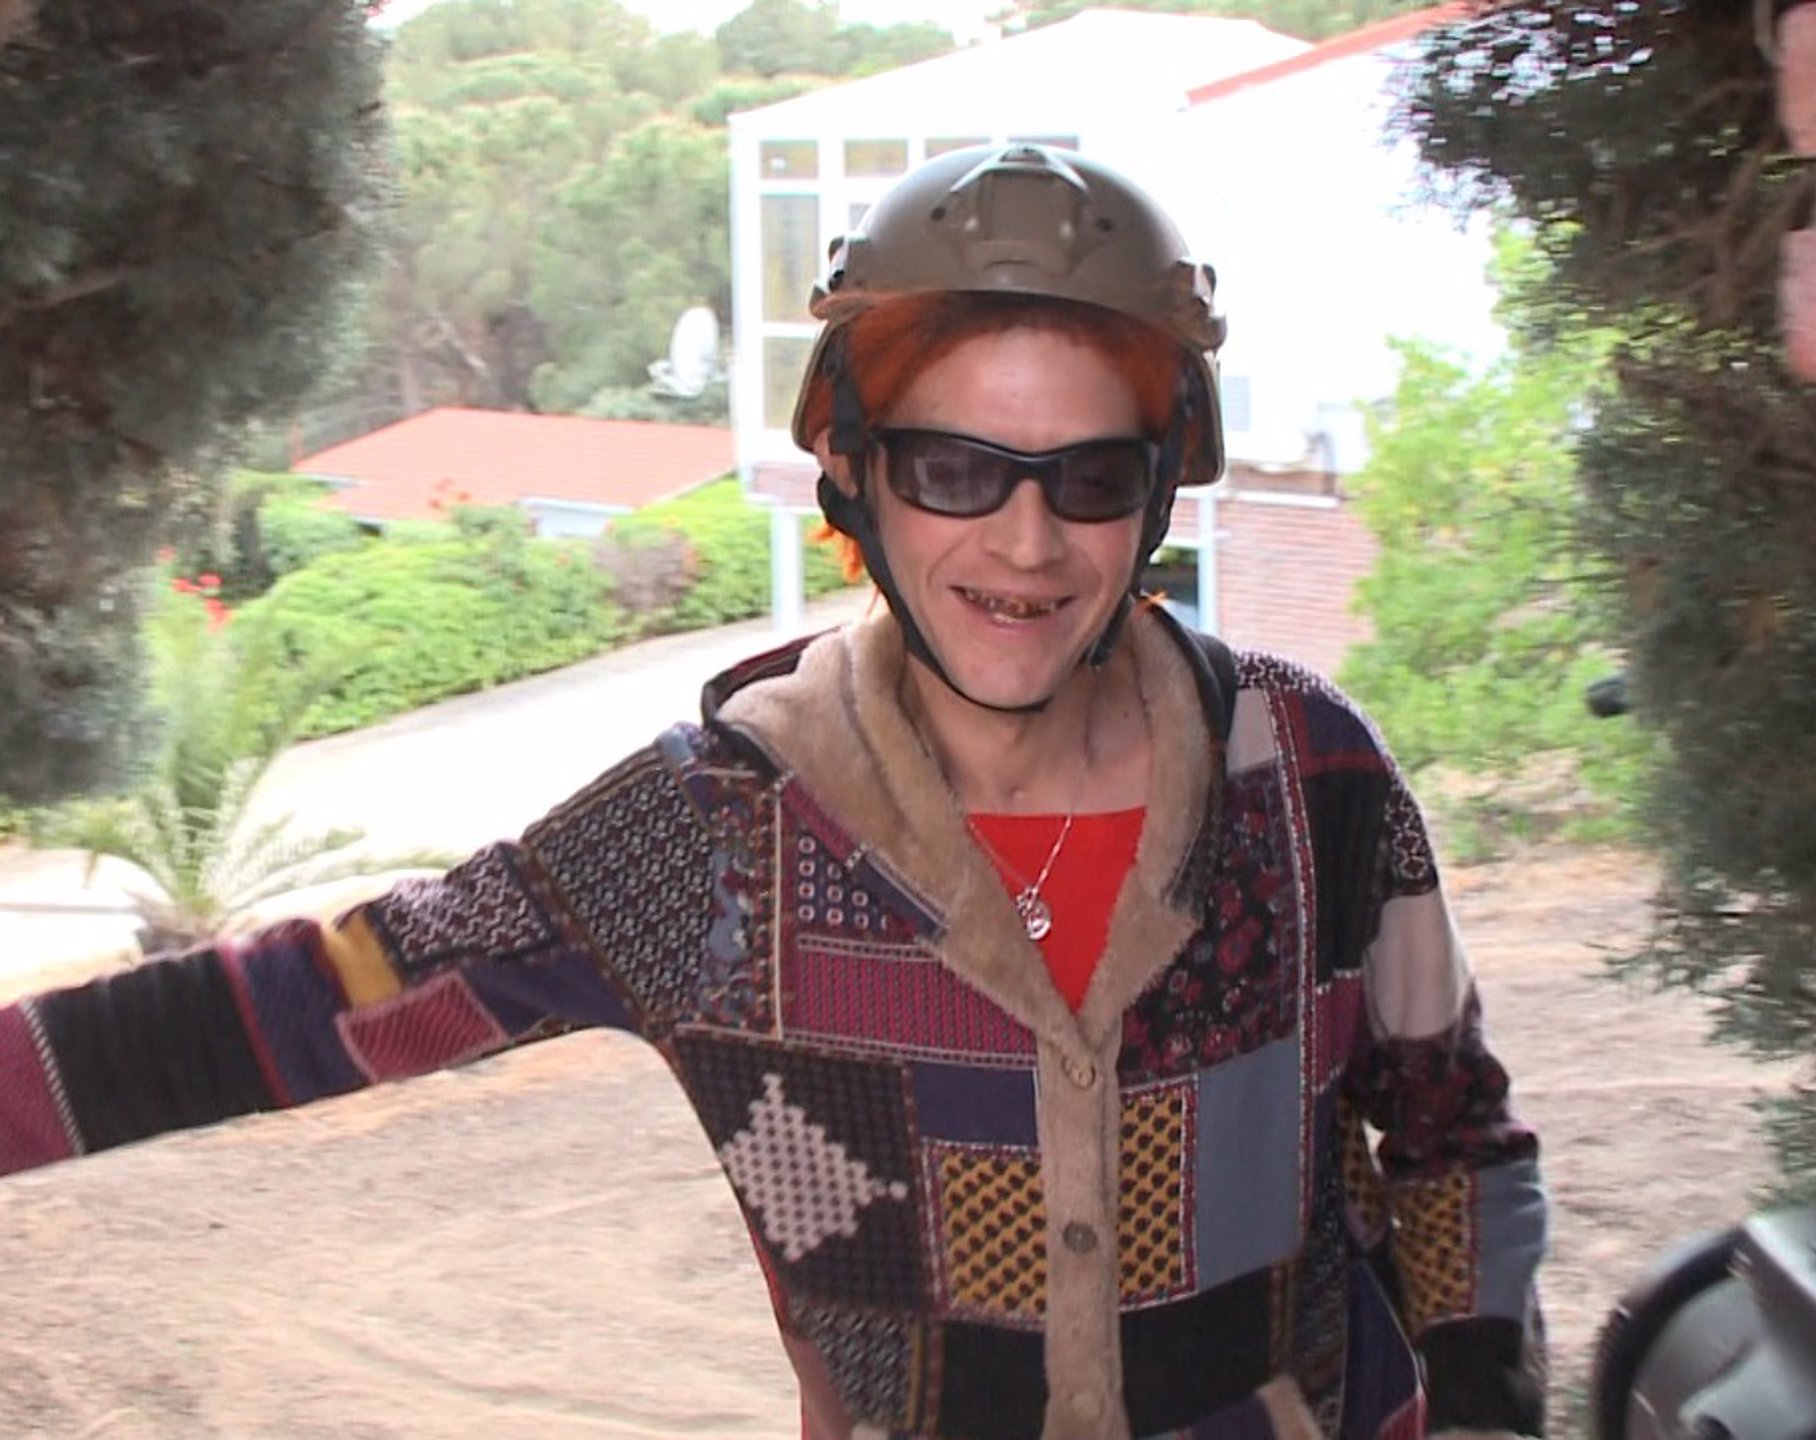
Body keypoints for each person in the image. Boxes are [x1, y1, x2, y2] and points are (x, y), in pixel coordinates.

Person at [0, 143, 1547, 1440]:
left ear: (1157, 493)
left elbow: (1452, 1132)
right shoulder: (708, 839)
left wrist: (1482, 1401)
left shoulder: (1307, 777)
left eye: (1089, 478)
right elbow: (306, 1007)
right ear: (855, 477)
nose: (1026, 544)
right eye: (955, 471)